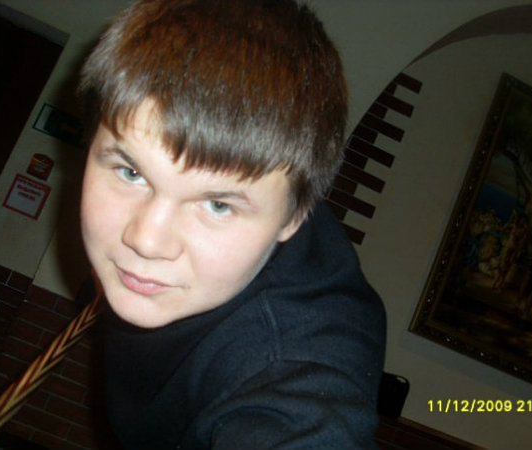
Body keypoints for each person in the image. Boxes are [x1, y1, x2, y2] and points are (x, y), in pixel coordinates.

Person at [78, 0, 386, 448]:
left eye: (218, 205)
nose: (146, 240)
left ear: (295, 217)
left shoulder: (290, 361)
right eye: (131, 173)